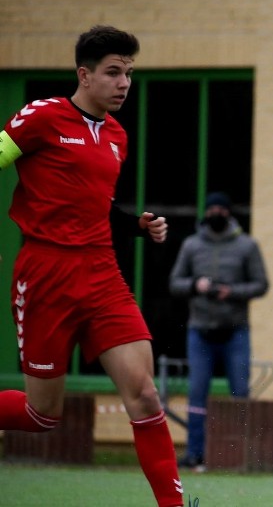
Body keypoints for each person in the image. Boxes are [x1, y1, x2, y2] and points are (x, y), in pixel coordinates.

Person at [0, 26, 186, 506]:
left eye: (128, 73)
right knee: (43, 416)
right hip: (45, 273)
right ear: (84, 74)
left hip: (102, 272)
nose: (124, 83)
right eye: (113, 73)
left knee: (144, 394)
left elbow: (94, 204)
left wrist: (136, 226)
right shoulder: (43, 116)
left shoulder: (118, 136)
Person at [168, 191, 269, 470]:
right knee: (197, 394)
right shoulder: (191, 245)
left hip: (236, 331)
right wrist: (195, 286)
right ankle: (195, 453)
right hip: (199, 330)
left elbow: (261, 284)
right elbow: (174, 283)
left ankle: (242, 455)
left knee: (240, 392)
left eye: (220, 210)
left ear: (229, 213)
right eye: (211, 209)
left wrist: (231, 292)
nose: (216, 214)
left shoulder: (247, 246)